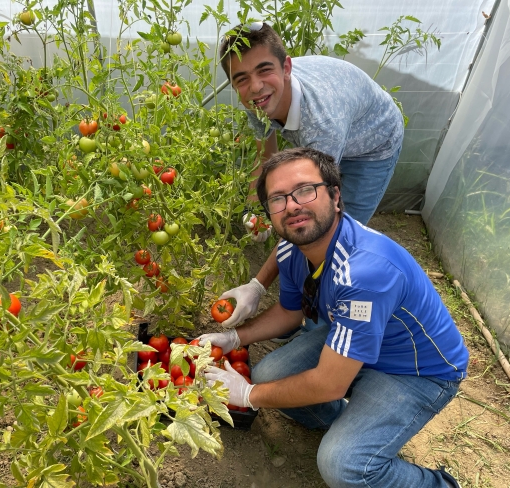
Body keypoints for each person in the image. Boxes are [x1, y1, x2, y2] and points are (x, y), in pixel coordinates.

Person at [200, 147, 468, 488]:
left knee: (343, 467)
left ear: (335, 196)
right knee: (268, 373)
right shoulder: (291, 249)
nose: (292, 205)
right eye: (278, 199)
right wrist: (236, 338)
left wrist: (249, 396)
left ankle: (438, 485)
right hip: (356, 338)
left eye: (304, 190)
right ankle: (342, 422)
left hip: (416, 370)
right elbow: (289, 311)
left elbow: (330, 383)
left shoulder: (364, 274)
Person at [217, 22, 405, 334]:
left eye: (264, 70)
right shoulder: (257, 99)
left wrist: (257, 285)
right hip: (342, 121)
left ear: (286, 66)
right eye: (242, 79)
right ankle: (295, 310)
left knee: (333, 233)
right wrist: (256, 208)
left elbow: (311, 213)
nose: (255, 86)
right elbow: (267, 155)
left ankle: (326, 323)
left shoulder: (322, 123)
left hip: (374, 143)